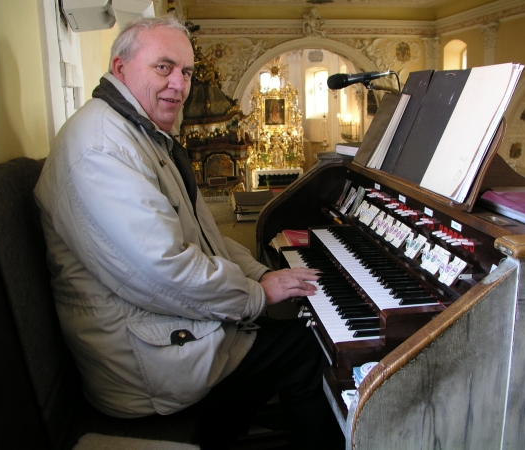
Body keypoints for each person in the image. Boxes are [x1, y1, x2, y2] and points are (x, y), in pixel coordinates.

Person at [34, 16, 343, 450]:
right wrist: (257, 294)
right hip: (147, 373)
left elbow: (205, 238)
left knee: (299, 329)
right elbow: (164, 271)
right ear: (120, 68)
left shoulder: (140, 134)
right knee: (309, 349)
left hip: (160, 337)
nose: (179, 85)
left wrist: (259, 274)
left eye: (186, 71)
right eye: (163, 67)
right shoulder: (101, 148)